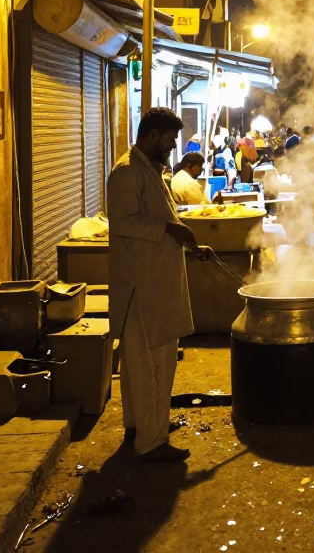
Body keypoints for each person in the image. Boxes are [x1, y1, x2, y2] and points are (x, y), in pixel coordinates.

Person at [107, 108, 212, 462]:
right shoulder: (126, 172)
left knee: (144, 362)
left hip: (156, 280)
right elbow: (122, 222)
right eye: (168, 141)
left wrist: (187, 240)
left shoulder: (151, 169)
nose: (171, 148)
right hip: (142, 285)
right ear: (152, 136)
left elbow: (160, 216)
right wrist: (171, 230)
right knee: (151, 364)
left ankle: (141, 425)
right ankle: (151, 442)